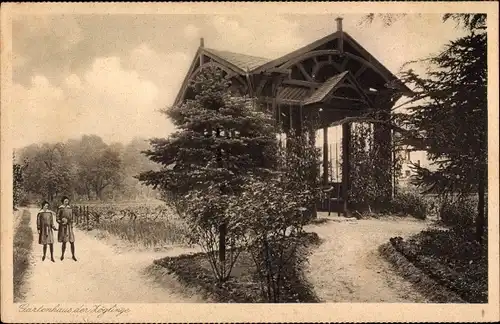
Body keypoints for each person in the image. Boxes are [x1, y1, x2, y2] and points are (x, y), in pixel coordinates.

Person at [57, 196, 77, 261]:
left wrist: (71, 222)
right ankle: (62, 255)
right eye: (65, 201)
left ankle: (73, 255)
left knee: (72, 241)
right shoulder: (60, 208)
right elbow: (57, 218)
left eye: (67, 201)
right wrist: (61, 222)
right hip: (63, 227)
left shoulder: (70, 208)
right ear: (63, 201)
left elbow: (72, 218)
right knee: (64, 242)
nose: (66, 202)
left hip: (69, 227)